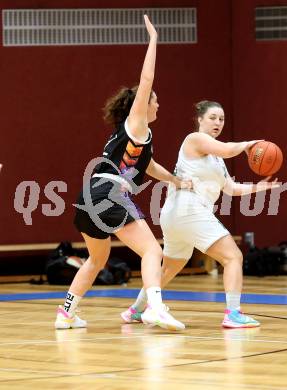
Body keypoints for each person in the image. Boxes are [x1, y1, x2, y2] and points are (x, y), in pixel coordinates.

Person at [55, 15, 189, 331]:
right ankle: (154, 308)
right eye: (155, 100)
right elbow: (146, 80)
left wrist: (176, 180)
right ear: (141, 106)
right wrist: (154, 39)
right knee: (153, 250)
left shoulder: (135, 138)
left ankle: (65, 313)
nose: (158, 104)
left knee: (96, 260)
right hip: (110, 193)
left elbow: (149, 167)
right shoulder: (136, 122)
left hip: (89, 195)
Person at [121, 100, 279, 329]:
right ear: (200, 120)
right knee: (233, 257)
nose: (218, 122)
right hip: (189, 210)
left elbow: (231, 189)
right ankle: (233, 314)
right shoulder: (194, 140)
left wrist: (258, 188)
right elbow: (227, 149)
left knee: (168, 269)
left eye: (222, 119)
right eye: (213, 117)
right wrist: (250, 144)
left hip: (176, 214)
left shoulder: (217, 160)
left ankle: (135, 310)